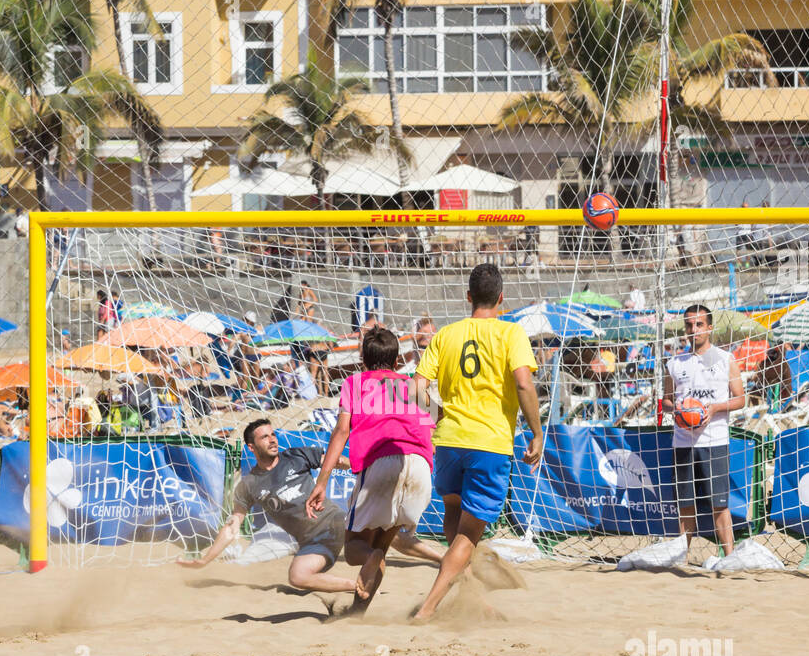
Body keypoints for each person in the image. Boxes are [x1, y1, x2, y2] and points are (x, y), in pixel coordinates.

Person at [177, 418, 441, 612]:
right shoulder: (249, 485)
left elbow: (335, 460)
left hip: (333, 521)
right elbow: (233, 525)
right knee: (297, 577)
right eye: (264, 437)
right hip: (314, 542)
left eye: (273, 434)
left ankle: (441, 557)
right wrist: (205, 560)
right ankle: (357, 585)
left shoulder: (295, 456)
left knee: (386, 531)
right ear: (250, 447)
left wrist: (366, 470)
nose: (272, 439)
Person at [412, 263, 544, 621]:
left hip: (450, 440)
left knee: (454, 516)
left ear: (468, 297)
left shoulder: (446, 334)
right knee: (468, 535)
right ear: (502, 298)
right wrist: (536, 432)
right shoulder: (511, 333)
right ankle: (428, 608)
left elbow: (416, 389)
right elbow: (523, 384)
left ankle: (470, 596)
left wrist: (437, 413)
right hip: (489, 442)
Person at [306, 326, 434, 614]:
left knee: (355, 550)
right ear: (398, 360)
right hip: (420, 467)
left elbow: (341, 432)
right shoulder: (415, 385)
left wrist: (322, 481)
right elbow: (435, 428)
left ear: (362, 358)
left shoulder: (355, 382)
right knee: (380, 547)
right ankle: (357, 613)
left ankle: (371, 558)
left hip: (381, 463)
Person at [659, 304, 745, 565]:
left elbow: (741, 399)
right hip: (683, 442)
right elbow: (666, 401)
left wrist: (715, 408)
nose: (693, 330)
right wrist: (679, 411)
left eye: (698, 325)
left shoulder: (724, 359)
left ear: (709, 327)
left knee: (720, 504)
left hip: (714, 440)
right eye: (688, 325)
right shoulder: (674, 363)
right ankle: (681, 558)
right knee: (685, 504)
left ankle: (728, 558)